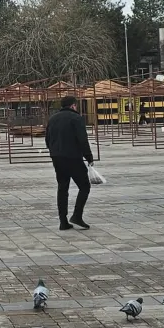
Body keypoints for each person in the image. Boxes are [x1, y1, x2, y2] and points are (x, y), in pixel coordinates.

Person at [44, 96, 95, 231]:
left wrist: (54, 151)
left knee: (62, 188)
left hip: (57, 157)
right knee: (84, 186)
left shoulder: (53, 119)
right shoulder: (77, 118)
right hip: (73, 157)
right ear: (73, 106)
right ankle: (77, 215)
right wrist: (89, 157)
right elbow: (82, 140)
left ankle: (63, 221)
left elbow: (47, 139)